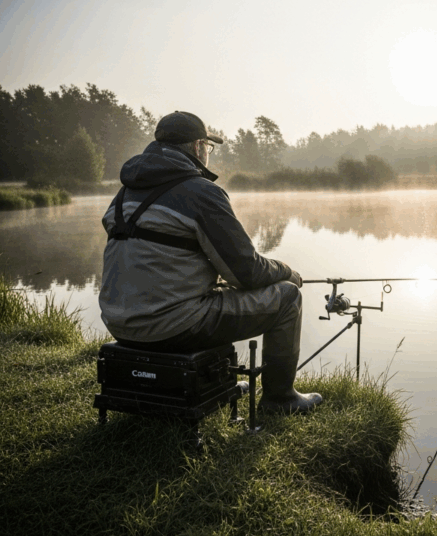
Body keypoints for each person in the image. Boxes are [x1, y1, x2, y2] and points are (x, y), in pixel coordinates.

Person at [98, 110, 322, 414]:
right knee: (288, 297)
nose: (208, 153)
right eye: (208, 146)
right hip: (173, 327)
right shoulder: (201, 192)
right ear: (197, 147)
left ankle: (220, 383)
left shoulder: (124, 194)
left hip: (119, 323)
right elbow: (247, 273)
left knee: (216, 292)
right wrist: (287, 272)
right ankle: (280, 400)